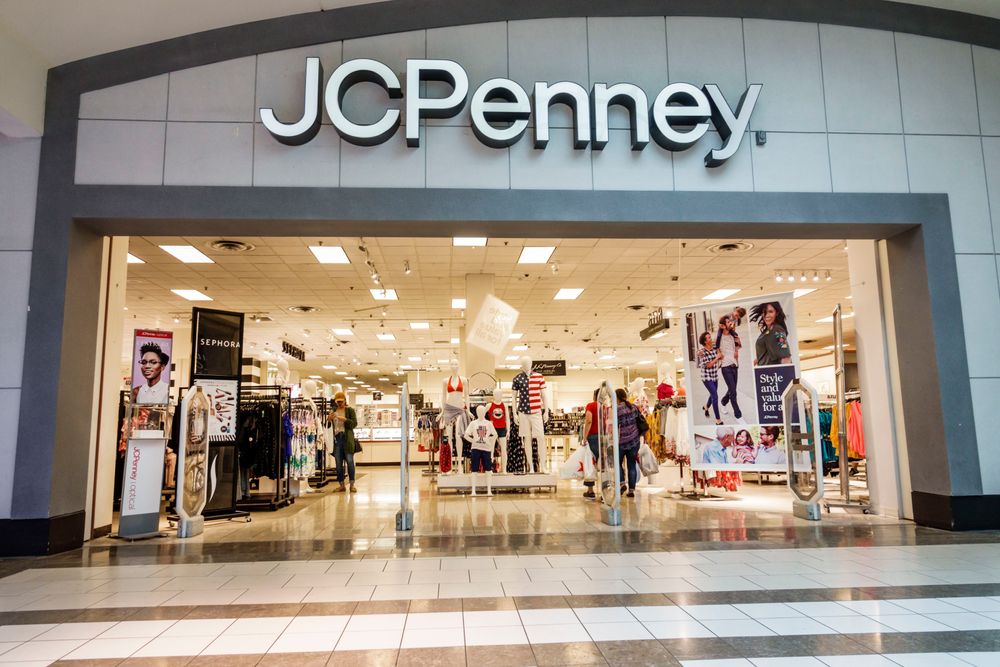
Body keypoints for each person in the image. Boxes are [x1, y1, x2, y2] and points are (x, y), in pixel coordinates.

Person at [327, 391, 358, 492]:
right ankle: (341, 485)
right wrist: (329, 419)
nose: (340, 403)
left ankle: (352, 485)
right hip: (337, 439)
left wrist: (345, 419)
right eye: (338, 401)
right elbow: (328, 426)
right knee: (338, 463)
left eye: (341, 401)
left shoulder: (350, 410)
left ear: (345, 400)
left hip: (347, 438)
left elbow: (354, 424)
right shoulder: (333, 411)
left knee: (350, 462)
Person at [715, 315, 743, 420]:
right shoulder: (719, 338)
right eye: (727, 322)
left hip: (734, 365)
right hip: (726, 367)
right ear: (722, 326)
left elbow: (739, 346)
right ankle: (738, 413)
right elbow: (715, 349)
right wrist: (718, 355)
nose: (730, 323)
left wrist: (736, 349)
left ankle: (723, 402)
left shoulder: (733, 335)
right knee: (733, 391)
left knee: (732, 389)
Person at [615, 388, 641, 497]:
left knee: (617, 463)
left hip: (621, 441)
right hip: (635, 440)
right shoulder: (634, 407)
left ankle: (621, 483)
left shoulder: (616, 409)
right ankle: (631, 490)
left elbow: (614, 426)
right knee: (631, 465)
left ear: (616, 397)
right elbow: (640, 421)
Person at [750, 302, 792, 366]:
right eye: (765, 312)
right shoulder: (766, 331)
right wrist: (757, 361)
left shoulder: (777, 330)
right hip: (764, 372)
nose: (767, 315)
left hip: (774, 374)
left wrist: (786, 374)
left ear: (777, 313)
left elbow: (786, 357)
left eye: (770, 311)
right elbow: (766, 353)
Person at [696, 331, 723, 425]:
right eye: (708, 338)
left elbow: (721, 356)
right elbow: (708, 365)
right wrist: (717, 357)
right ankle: (718, 420)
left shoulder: (714, 347)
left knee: (712, 394)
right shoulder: (702, 352)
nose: (711, 338)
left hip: (714, 375)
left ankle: (706, 406)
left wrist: (719, 354)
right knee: (715, 396)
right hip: (706, 377)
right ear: (705, 341)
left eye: (710, 337)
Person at [581, 389, 600, 499]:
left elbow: (588, 421)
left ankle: (590, 490)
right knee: (603, 465)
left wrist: (584, 437)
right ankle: (605, 491)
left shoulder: (591, 405)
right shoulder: (606, 407)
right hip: (604, 438)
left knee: (590, 463)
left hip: (592, 437)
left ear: (594, 395)